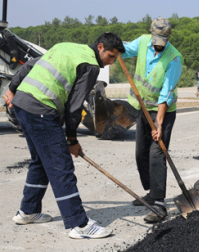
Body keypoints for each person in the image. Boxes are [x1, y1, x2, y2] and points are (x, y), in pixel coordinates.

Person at [3, 32, 126, 238]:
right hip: (40, 109)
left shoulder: (65, 46)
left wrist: (12, 88)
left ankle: (28, 210)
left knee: (40, 161)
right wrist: (72, 140)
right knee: (61, 166)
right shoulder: (91, 66)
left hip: (22, 104)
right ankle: (77, 224)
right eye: (111, 56)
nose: (111, 62)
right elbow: (74, 107)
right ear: (101, 47)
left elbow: (30, 65)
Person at [121, 17, 183, 223]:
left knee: (157, 153)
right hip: (142, 107)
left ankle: (159, 204)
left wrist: (159, 123)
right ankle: (150, 191)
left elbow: (165, 93)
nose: (158, 46)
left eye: (162, 42)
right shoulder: (141, 42)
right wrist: (111, 43)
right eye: (156, 41)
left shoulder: (174, 58)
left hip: (163, 111)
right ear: (151, 35)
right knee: (141, 153)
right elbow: (124, 49)